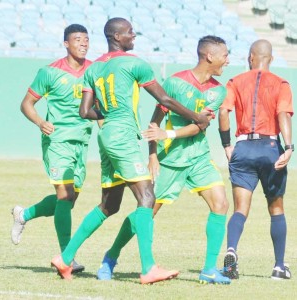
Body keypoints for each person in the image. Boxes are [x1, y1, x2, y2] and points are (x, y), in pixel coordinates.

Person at [50, 17, 210, 283]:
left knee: (109, 205)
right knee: (147, 196)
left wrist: (109, 112)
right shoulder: (135, 63)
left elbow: (84, 111)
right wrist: (197, 117)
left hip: (106, 134)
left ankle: (65, 258)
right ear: (116, 36)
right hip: (123, 135)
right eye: (129, 32)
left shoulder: (94, 67)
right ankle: (148, 268)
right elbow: (165, 99)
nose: (133, 35)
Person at [96, 35, 231, 285]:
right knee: (146, 211)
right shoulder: (174, 83)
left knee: (221, 203)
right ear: (209, 56)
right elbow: (154, 122)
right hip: (170, 159)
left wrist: (167, 134)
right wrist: (152, 155)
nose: (228, 60)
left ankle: (209, 269)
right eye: (225, 55)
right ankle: (110, 257)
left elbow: (199, 126)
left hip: (199, 157)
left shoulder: (218, 90)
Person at [11, 24, 95, 273]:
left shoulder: (94, 71)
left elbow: (97, 107)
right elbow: (27, 103)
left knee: (68, 200)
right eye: (77, 39)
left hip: (82, 142)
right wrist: (40, 122)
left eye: (86, 40)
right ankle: (67, 258)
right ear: (66, 44)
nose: (83, 43)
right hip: (57, 141)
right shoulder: (49, 72)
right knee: (65, 196)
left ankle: (23, 215)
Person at [219, 39, 293, 280]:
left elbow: (223, 112)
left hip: (243, 148)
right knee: (276, 208)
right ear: (270, 59)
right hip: (270, 147)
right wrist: (289, 147)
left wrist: (226, 144)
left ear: (250, 57)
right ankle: (279, 267)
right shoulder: (281, 83)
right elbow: (283, 114)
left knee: (240, 208)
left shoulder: (234, 82)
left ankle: (231, 251)